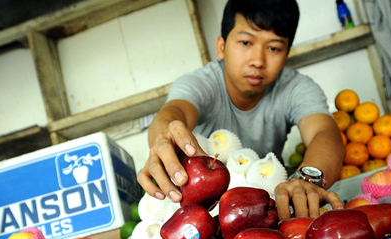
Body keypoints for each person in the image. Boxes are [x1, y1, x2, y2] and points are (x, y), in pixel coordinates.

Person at [137, 0, 346, 220]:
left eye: (274, 48)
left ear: (286, 55)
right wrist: (164, 139)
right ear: (221, 46)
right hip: (202, 215)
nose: (258, 60)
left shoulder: (296, 88)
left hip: (263, 211)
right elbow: (172, 113)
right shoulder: (200, 83)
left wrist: (306, 181)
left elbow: (325, 134)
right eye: (246, 42)